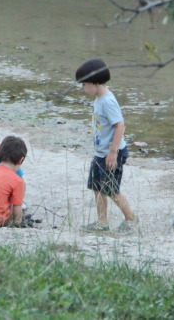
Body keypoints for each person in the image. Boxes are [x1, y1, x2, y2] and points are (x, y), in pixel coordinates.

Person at [76, 58, 137, 234]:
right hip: (100, 153)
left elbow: (120, 125)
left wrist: (113, 152)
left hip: (112, 154)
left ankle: (131, 220)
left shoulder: (108, 101)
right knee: (97, 187)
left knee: (111, 189)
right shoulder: (99, 98)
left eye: (84, 84)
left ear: (94, 82)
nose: (83, 88)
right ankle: (102, 222)